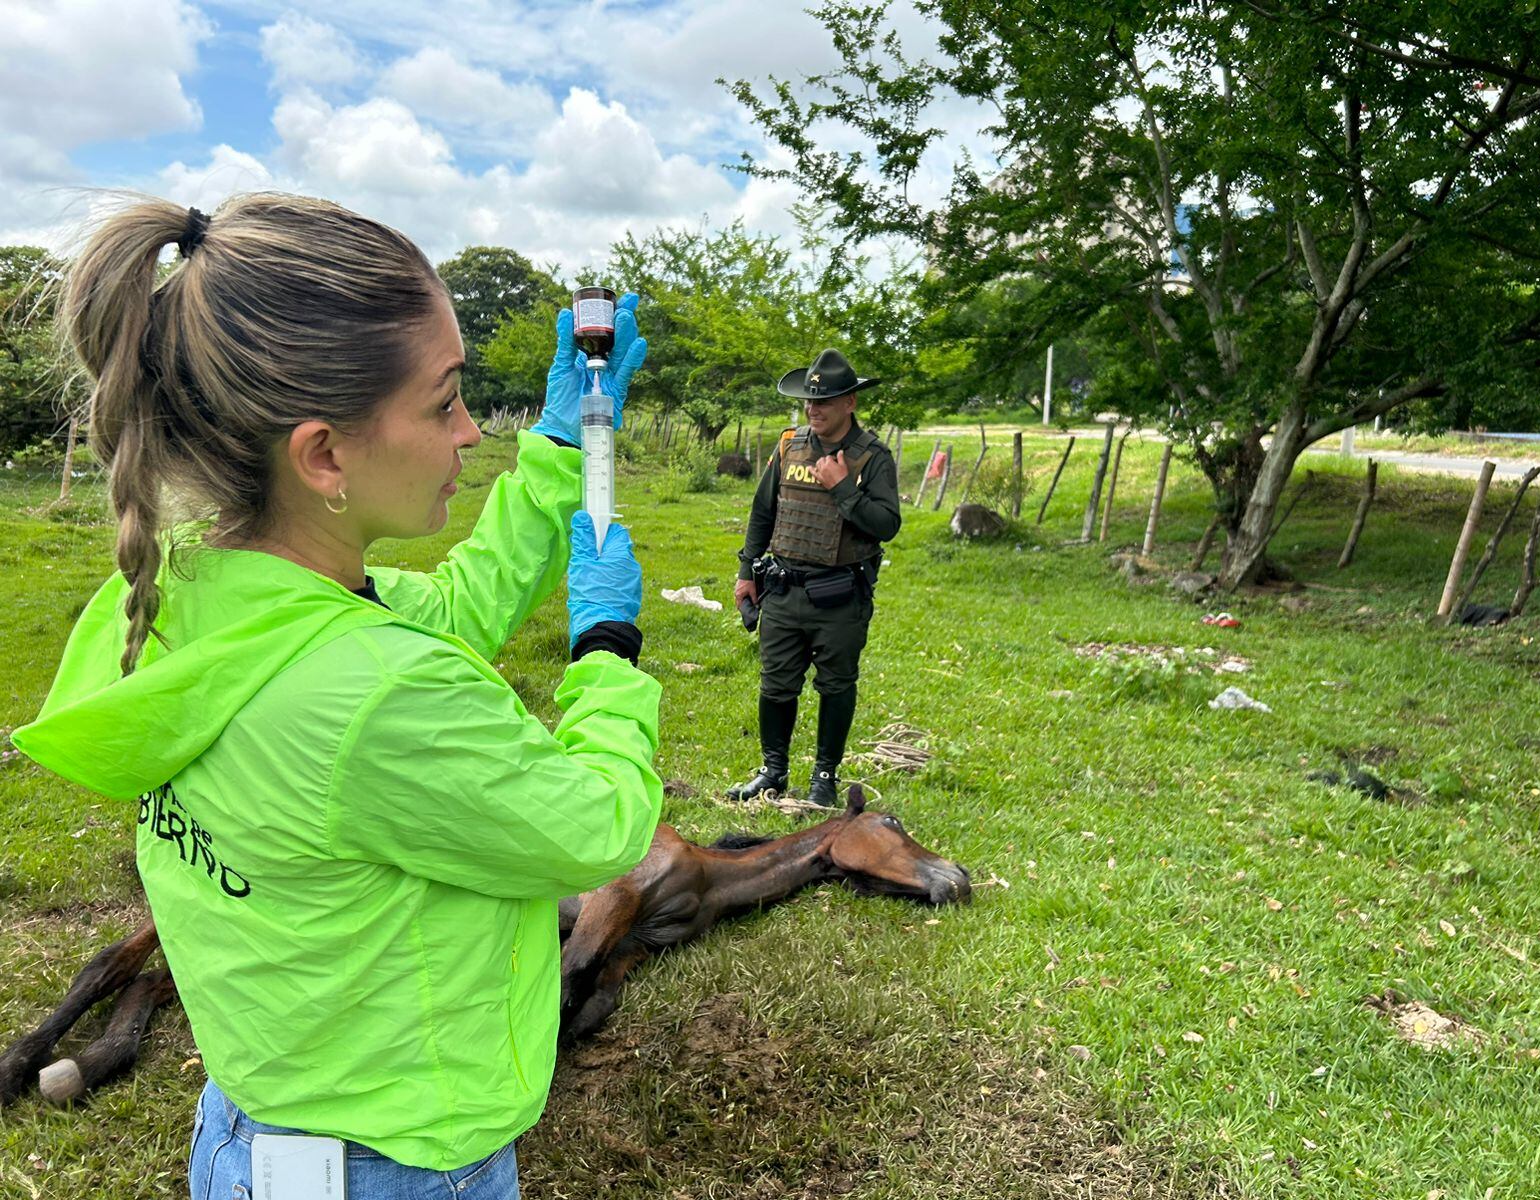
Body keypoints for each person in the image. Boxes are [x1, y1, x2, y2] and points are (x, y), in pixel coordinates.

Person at [12, 195, 661, 1200]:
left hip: (255, 1132)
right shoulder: (378, 696)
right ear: (323, 455)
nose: (467, 434)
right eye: (444, 402)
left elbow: (448, 608)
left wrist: (557, 448)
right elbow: (599, 827)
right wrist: (609, 651)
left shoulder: (192, 594)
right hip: (396, 1163)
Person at [728, 348, 901, 806]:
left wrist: (843, 488)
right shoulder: (789, 446)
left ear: (850, 403)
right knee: (776, 682)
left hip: (841, 598)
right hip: (783, 590)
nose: (813, 408)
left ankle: (824, 776)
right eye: (809, 400)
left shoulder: (872, 458)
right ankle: (773, 771)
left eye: (825, 401)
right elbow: (763, 513)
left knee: (836, 684)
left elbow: (888, 525)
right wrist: (747, 571)